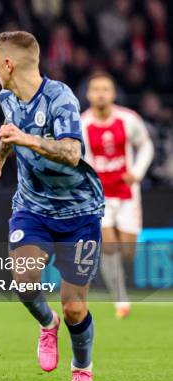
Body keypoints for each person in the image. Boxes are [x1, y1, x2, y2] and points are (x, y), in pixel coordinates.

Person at [0, 31, 104, 381]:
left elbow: (71, 153)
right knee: (24, 280)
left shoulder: (59, 97)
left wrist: (29, 141)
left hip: (79, 212)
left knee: (75, 309)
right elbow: (9, 132)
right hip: (32, 207)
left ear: (8, 64)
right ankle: (46, 324)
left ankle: (82, 367)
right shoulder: (7, 96)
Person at [81, 73, 154, 319]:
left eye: (106, 89)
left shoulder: (128, 119)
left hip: (126, 194)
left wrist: (137, 172)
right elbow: (76, 157)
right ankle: (120, 300)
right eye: (96, 89)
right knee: (109, 245)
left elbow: (146, 145)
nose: (101, 94)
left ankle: (121, 293)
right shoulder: (82, 123)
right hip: (98, 196)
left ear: (113, 94)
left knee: (128, 250)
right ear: (89, 94)